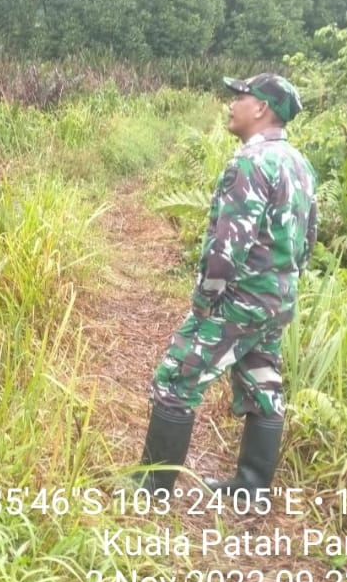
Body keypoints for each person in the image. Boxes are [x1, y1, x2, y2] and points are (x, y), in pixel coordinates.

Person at [136, 73, 318, 499]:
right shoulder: (299, 164)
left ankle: (152, 488)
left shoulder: (249, 164)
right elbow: (308, 238)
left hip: (237, 301)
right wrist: (280, 286)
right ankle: (251, 486)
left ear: (262, 108)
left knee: (175, 379)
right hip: (276, 300)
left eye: (241, 96)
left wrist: (205, 301)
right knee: (263, 384)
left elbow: (226, 248)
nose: (231, 103)